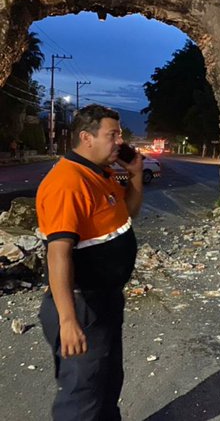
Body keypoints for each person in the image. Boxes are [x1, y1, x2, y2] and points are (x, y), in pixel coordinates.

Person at [36, 104, 143, 421]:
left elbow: (129, 212)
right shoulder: (67, 183)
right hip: (82, 305)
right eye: (113, 135)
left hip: (106, 299)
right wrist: (68, 321)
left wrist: (135, 175)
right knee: (82, 395)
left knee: (108, 382)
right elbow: (58, 253)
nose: (119, 142)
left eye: (120, 134)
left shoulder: (102, 174)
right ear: (87, 137)